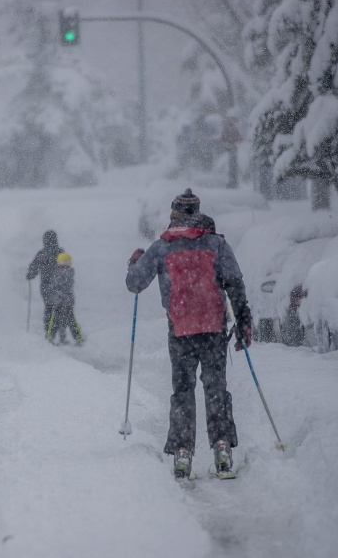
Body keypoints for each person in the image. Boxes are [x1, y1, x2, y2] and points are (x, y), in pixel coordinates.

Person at [125, 188, 252, 479]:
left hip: (180, 330)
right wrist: (244, 319)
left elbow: (134, 284)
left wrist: (134, 261)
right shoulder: (216, 244)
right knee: (215, 388)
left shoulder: (161, 247)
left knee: (183, 391)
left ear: (174, 215)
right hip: (214, 328)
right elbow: (234, 282)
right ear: (198, 213)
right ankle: (222, 448)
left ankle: (182, 453)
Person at [26, 230, 65, 335]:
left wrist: (30, 274)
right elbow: (66, 267)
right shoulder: (60, 252)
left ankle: (49, 330)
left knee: (49, 307)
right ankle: (60, 330)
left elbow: (34, 267)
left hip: (46, 286)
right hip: (59, 286)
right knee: (59, 307)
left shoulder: (42, 254)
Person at [45, 253, 84, 346]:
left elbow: (61, 286)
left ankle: (77, 336)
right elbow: (54, 286)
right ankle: (51, 336)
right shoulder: (57, 272)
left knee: (70, 320)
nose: (64, 263)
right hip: (59, 301)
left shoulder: (67, 272)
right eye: (63, 261)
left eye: (67, 262)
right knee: (55, 320)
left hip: (66, 301)